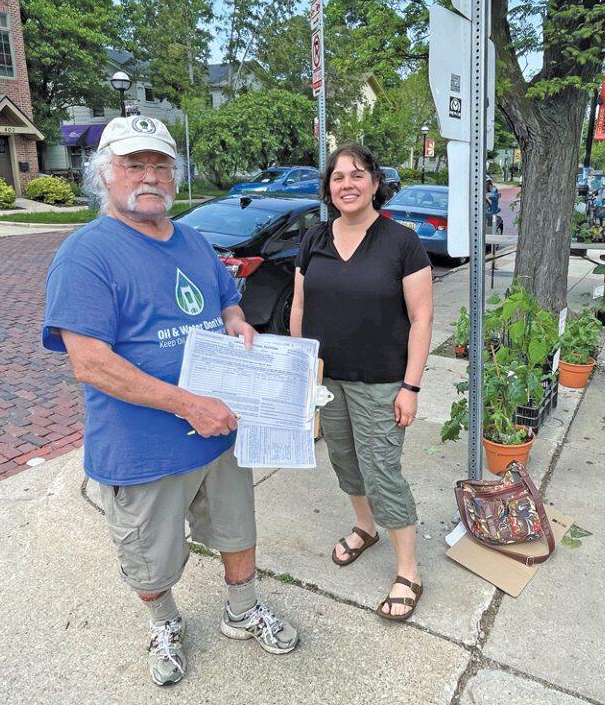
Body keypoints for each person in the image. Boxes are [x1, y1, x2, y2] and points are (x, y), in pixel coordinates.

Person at [41, 116, 298, 687]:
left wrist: (238, 326)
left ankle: (241, 610)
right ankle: (164, 623)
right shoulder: (85, 255)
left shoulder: (193, 241)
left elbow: (228, 303)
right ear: (103, 175)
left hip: (220, 431)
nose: (150, 175)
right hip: (141, 449)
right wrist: (188, 405)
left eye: (160, 164)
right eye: (134, 164)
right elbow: (91, 363)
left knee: (236, 527)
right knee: (149, 558)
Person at [290, 143, 434, 622]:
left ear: (375, 182)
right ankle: (364, 526)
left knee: (382, 469)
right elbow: (299, 309)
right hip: (328, 380)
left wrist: (410, 387)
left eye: (357, 175)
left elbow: (421, 318)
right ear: (328, 188)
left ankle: (409, 570)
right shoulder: (312, 239)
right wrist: (301, 372)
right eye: (337, 177)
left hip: (381, 383)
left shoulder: (401, 241)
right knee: (345, 461)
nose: (346, 184)